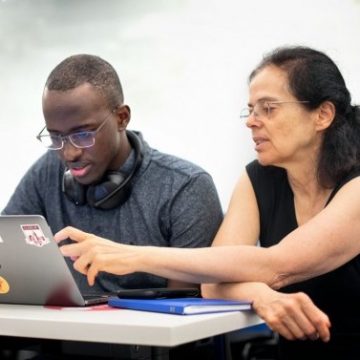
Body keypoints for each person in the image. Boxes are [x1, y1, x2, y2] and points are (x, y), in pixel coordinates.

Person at [55, 46, 360, 359]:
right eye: (251, 109)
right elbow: (211, 283)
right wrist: (256, 294)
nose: (252, 122)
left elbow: (278, 266)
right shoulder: (258, 177)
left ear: (323, 114)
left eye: (268, 109)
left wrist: (133, 256)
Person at [1, 54, 223, 358]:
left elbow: (183, 305)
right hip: (62, 345)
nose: (69, 153)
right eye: (56, 137)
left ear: (122, 118)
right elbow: (7, 253)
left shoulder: (185, 186)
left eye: (83, 134)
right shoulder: (47, 173)